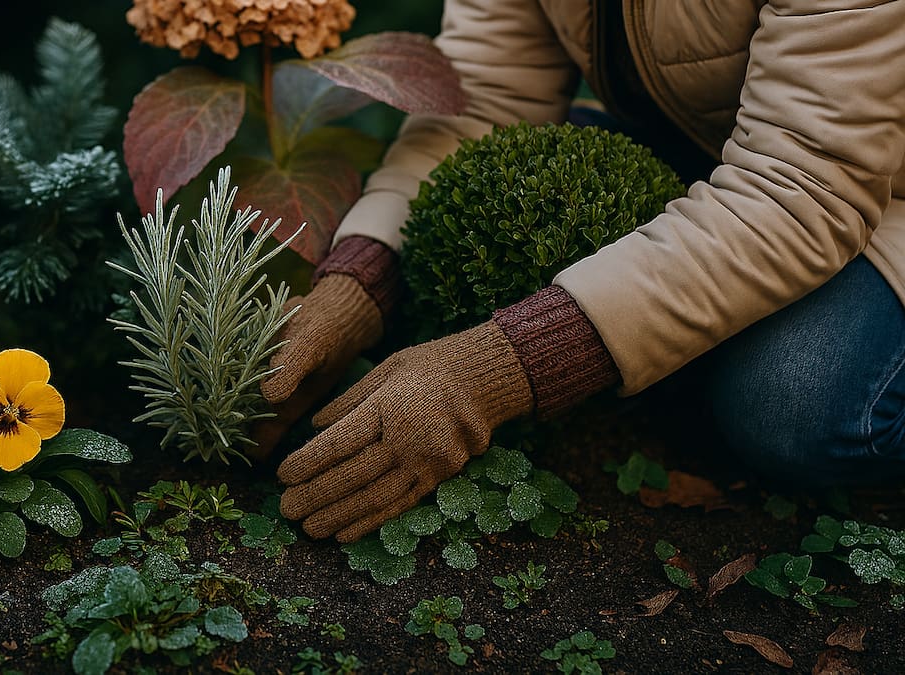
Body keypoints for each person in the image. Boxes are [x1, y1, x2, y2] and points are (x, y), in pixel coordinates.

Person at [256, 0, 905, 544]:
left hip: (854, 183)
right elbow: (489, 98)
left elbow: (801, 185)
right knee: (535, 206)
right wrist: (360, 283)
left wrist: (494, 369)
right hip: (722, 147)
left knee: (790, 401)